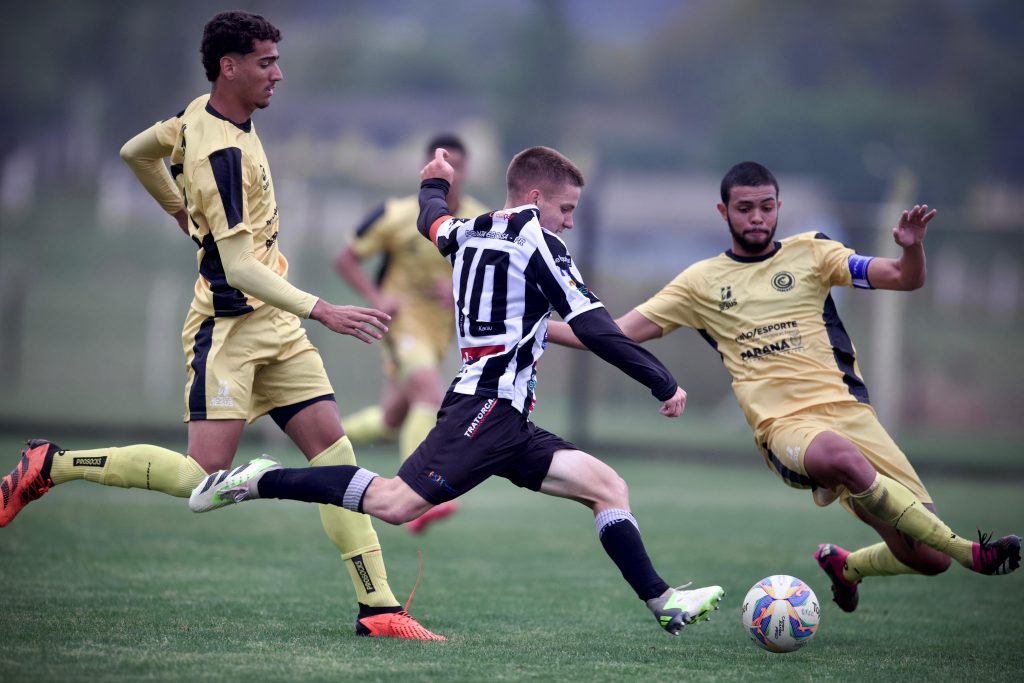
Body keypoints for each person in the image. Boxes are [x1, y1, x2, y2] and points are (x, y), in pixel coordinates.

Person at [0, 10, 443, 641]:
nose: (278, 74)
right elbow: (237, 267)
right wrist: (324, 309)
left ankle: (379, 609)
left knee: (335, 456)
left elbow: (135, 152)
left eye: (276, 60)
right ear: (228, 67)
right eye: (266, 62)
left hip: (277, 327)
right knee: (200, 479)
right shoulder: (222, 154)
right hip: (230, 331)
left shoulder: (200, 117)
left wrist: (180, 211)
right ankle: (53, 464)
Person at [190, 145, 726, 636]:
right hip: (486, 408)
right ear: (535, 198)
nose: (569, 220)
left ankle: (663, 602)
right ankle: (261, 480)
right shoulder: (542, 243)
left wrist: (434, 181)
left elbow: (431, 218)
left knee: (607, 486)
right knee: (395, 504)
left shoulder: (469, 229)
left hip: (507, 418)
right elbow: (595, 326)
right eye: (566, 208)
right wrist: (661, 381)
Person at [545, 160, 1021, 612]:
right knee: (845, 460)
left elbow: (904, 278)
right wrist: (536, 327)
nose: (757, 217)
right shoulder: (699, 283)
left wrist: (912, 247)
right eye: (744, 208)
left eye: (766, 206)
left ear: (779, 207)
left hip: (851, 413)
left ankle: (847, 566)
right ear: (723, 211)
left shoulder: (814, 251)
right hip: (784, 427)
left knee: (929, 558)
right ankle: (971, 553)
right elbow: (613, 333)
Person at [334, 134, 488, 533]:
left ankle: (322, 438)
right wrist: (377, 298)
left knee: (391, 420)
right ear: (428, 169)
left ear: (467, 171)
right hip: (402, 325)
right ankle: (418, 495)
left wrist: (459, 292)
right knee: (428, 393)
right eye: (444, 164)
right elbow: (346, 259)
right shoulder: (396, 215)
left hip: (441, 333)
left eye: (458, 164)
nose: (452, 172)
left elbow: (492, 280)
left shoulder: (481, 222)